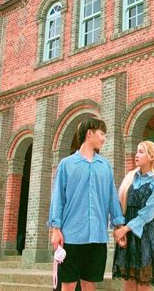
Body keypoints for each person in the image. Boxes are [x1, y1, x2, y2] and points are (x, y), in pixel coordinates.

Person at [48, 118, 126, 291]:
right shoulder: (66, 165)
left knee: (90, 282)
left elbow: (112, 198)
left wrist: (119, 226)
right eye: (102, 133)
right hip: (71, 235)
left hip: (97, 235)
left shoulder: (105, 166)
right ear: (89, 133)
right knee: (68, 283)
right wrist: (55, 229)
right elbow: (58, 198)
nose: (104, 138)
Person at [112, 140, 154, 290]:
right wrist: (119, 229)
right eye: (136, 151)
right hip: (127, 233)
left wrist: (125, 229)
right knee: (128, 281)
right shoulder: (130, 177)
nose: (136, 155)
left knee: (143, 283)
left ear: (151, 156)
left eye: (141, 152)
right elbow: (120, 205)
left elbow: (148, 213)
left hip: (144, 234)